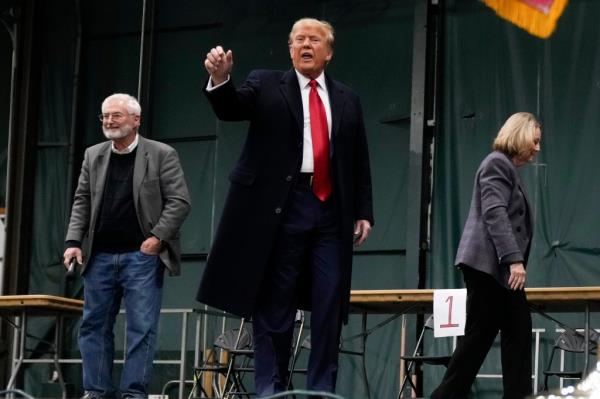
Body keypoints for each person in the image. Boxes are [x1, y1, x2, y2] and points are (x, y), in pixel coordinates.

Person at [196, 18, 374, 396]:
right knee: (275, 305)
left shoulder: (347, 98)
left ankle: (321, 388)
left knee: (329, 301)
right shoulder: (265, 83)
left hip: (330, 210)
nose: (305, 45)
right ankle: (272, 388)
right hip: (280, 208)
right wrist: (221, 81)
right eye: (298, 40)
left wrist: (363, 210)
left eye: (314, 40)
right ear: (290, 49)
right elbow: (231, 108)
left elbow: (358, 159)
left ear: (329, 52)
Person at [63, 93, 191, 399]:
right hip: (100, 257)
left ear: (135, 120)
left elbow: (180, 201)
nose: (108, 121)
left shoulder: (161, 154)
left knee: (141, 328)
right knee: (93, 327)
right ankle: (96, 392)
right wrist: (73, 241)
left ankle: (134, 394)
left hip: (142, 256)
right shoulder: (93, 155)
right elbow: (82, 201)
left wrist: (157, 238)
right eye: (105, 116)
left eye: (116, 116)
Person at [431, 112, 542, 399]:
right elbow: (495, 214)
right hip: (489, 267)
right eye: (535, 140)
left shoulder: (506, 168)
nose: (538, 148)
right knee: (481, 337)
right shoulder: (496, 164)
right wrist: (513, 259)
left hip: (497, 272)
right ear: (520, 135)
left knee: (515, 331)